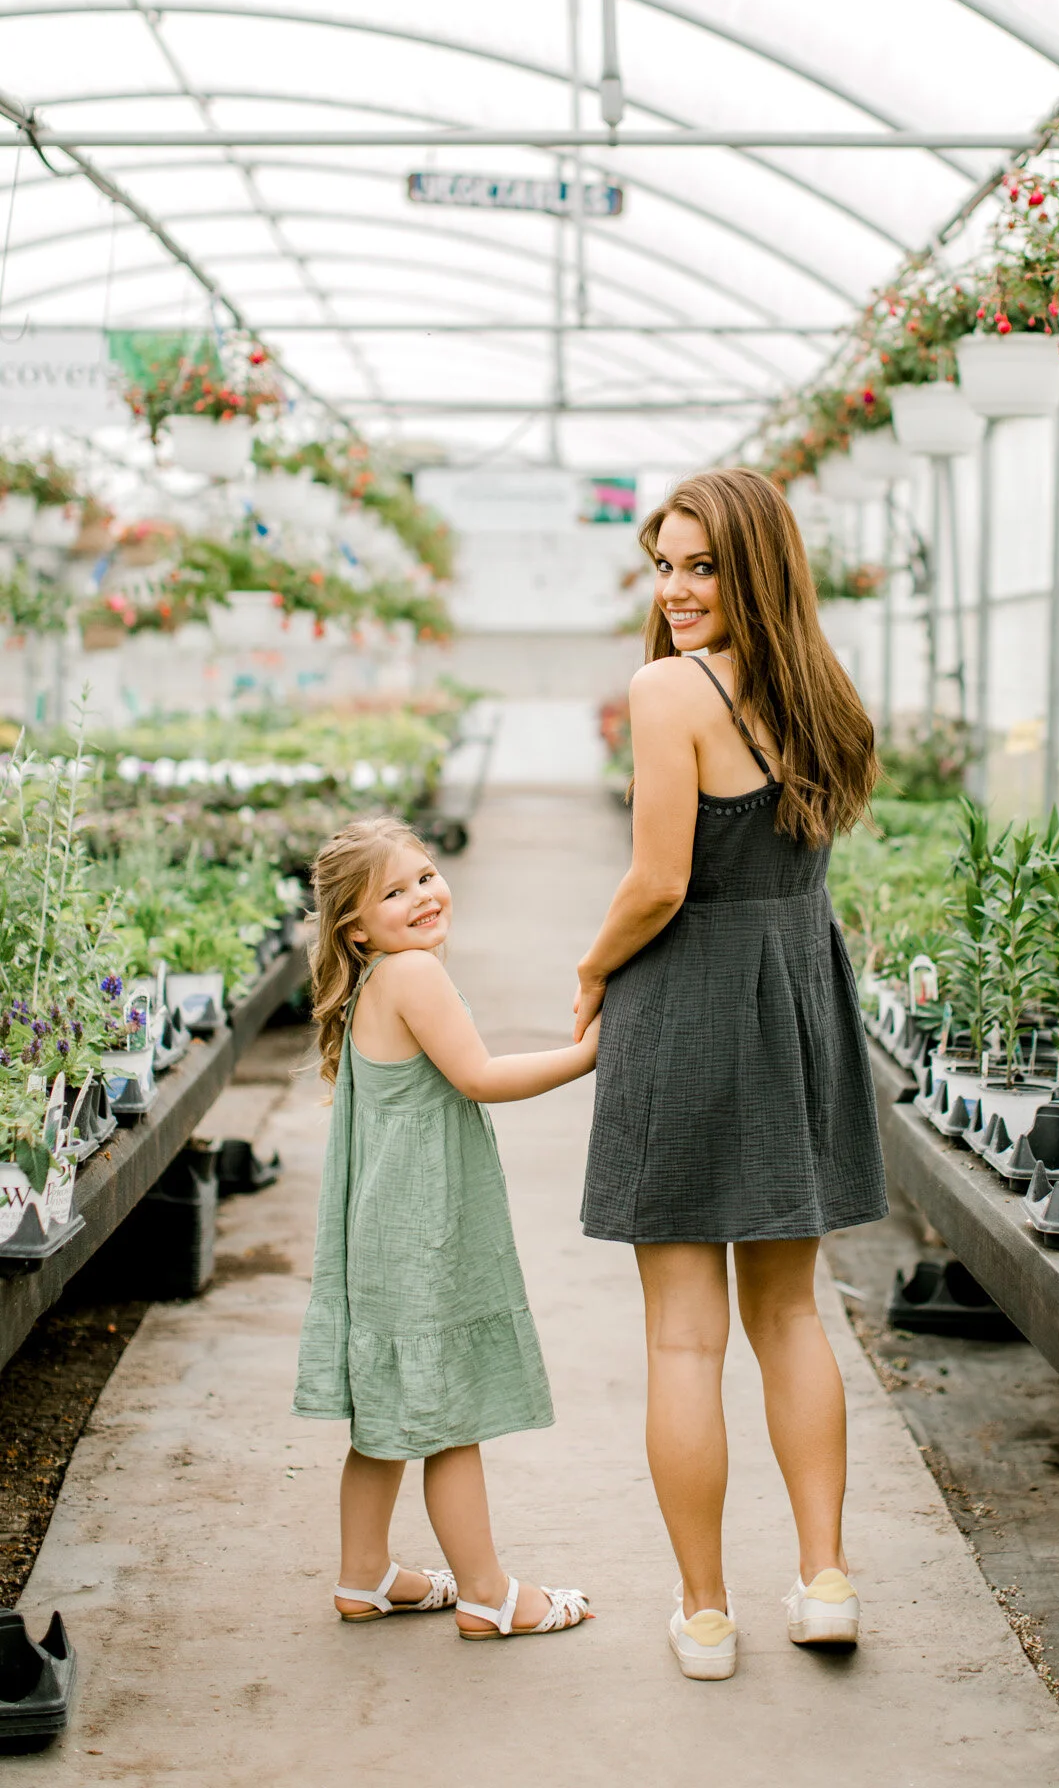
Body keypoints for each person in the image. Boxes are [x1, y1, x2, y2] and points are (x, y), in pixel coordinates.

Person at [575, 468, 886, 1681]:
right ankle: (824, 1577)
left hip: (692, 1001)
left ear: (753, 565)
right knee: (792, 1313)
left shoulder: (668, 690)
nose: (676, 587)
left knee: (685, 1343)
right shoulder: (824, 692)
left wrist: (594, 966)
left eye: (700, 564)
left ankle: (705, 1613)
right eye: (663, 564)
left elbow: (659, 880)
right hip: (798, 994)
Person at [293, 815, 597, 1642]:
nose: (422, 898)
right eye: (393, 893)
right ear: (355, 927)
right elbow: (480, 1076)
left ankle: (366, 1576)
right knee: (449, 1416)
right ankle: (488, 1593)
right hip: (424, 1234)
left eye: (424, 876)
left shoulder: (375, 979)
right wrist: (590, 1054)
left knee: (386, 1416)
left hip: (384, 1236)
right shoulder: (413, 977)